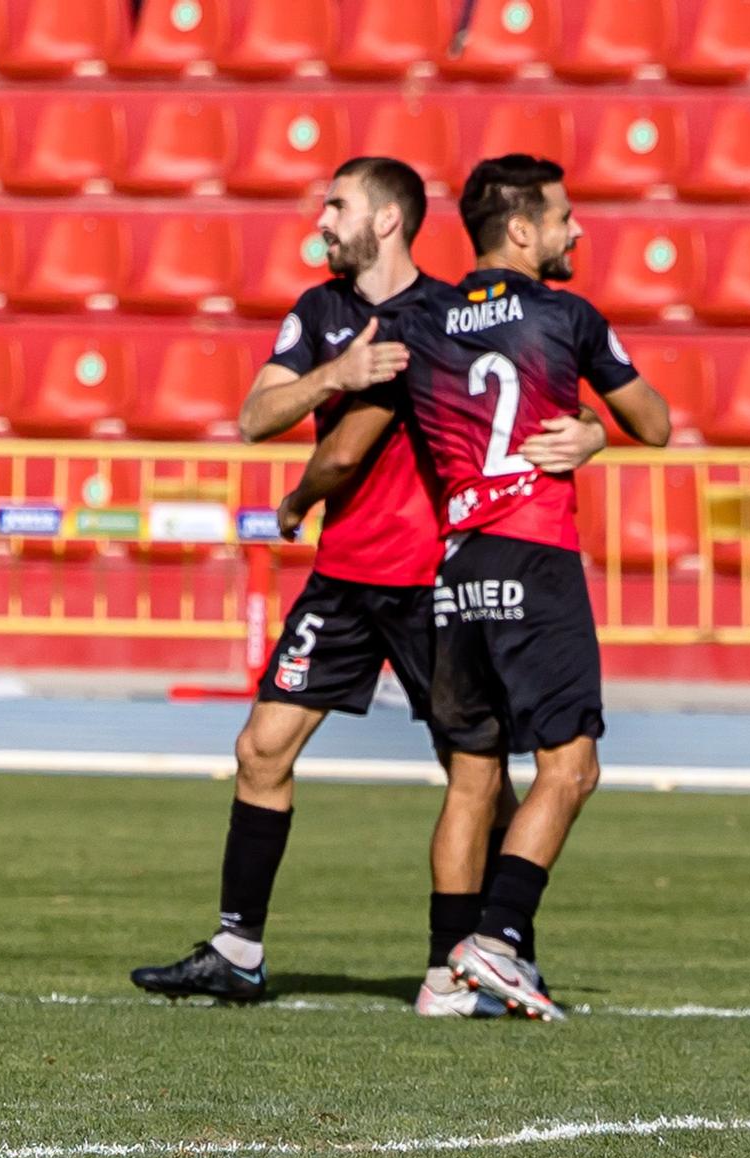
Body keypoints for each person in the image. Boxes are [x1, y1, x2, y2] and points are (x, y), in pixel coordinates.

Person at [129, 156, 608, 1016]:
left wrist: (590, 435)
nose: (324, 216)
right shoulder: (320, 313)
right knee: (261, 749)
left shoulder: (440, 315)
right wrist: (334, 375)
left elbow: (526, 411)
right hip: (344, 576)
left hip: (430, 577)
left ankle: (471, 959)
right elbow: (253, 417)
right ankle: (240, 947)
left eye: (338, 204)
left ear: (386, 220)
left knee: (477, 774)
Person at [277, 154, 670, 1022]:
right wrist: (595, 432)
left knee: (474, 775)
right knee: (570, 767)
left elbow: (354, 439)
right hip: (534, 556)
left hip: (452, 572)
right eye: (565, 216)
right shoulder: (566, 315)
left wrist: (301, 494)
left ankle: (443, 978)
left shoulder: (421, 323)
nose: (577, 231)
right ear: (523, 229)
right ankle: (495, 942)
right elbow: (657, 424)